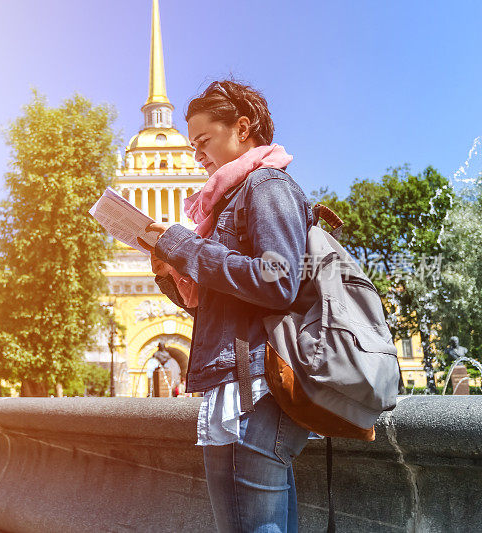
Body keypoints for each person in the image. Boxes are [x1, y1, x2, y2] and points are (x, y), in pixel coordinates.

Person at [138, 80, 313, 532]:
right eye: (192, 145)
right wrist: (168, 273)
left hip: (254, 392)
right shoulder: (230, 200)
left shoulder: (267, 185)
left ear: (241, 127)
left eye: (202, 142)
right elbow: (228, 311)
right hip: (241, 384)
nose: (197, 155)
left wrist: (184, 246)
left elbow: (278, 282)